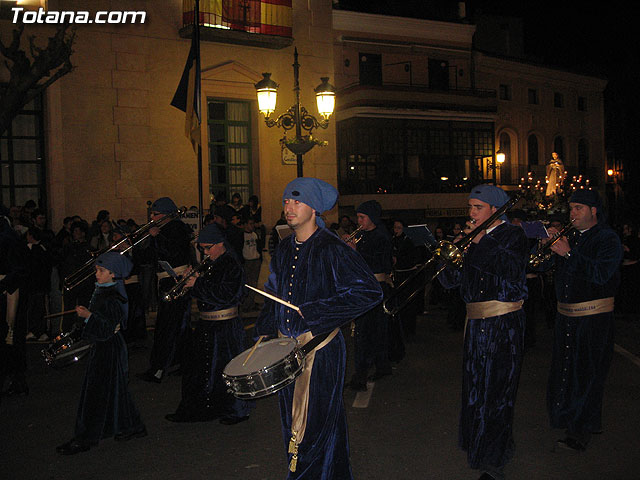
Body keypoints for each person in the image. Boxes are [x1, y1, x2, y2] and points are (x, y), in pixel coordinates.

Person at [255, 177, 382, 479]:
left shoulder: (332, 248)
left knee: (310, 427)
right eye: (286, 200)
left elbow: (369, 292)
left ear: (314, 208)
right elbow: (274, 293)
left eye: (297, 201)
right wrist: (263, 332)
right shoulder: (285, 248)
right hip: (286, 350)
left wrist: (316, 312)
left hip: (321, 351)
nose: (289, 207)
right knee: (299, 423)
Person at [438, 184, 528, 480]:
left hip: (503, 325)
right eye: (470, 207)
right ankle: (476, 442)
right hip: (475, 323)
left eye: (477, 207)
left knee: (497, 391)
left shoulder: (513, 235)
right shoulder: (473, 238)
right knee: (475, 386)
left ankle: (495, 459)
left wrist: (478, 242)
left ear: (494, 210)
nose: (471, 213)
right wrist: (452, 255)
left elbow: (512, 272)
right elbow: (451, 283)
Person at [546, 189, 623, 452]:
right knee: (567, 372)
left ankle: (580, 433)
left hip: (594, 319)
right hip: (567, 317)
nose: (573, 213)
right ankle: (576, 419)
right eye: (571, 208)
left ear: (594, 211)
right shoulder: (573, 238)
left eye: (579, 208)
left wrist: (568, 254)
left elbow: (601, 274)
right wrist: (548, 250)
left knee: (587, 375)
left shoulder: (607, 239)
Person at [56, 252, 147, 455]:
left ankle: (85, 437)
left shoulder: (114, 296)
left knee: (95, 393)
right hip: (106, 346)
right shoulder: (103, 290)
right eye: (97, 270)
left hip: (108, 347)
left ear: (113, 274)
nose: (96, 274)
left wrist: (89, 316)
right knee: (116, 390)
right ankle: (132, 426)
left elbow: (107, 327)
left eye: (101, 270)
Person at [165, 223, 252, 424]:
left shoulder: (231, 264)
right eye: (201, 248)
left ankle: (234, 410)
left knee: (227, 371)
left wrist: (198, 283)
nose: (204, 252)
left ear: (220, 244)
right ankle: (198, 409)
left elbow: (226, 295)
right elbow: (206, 290)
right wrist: (192, 281)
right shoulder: (211, 263)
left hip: (225, 327)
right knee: (200, 371)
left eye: (207, 247)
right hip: (207, 325)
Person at [137, 197, 193, 383]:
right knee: (174, 325)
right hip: (165, 280)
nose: (152, 218)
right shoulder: (163, 230)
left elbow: (173, 252)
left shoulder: (176, 228)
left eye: (156, 214)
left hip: (174, 280)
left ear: (166, 214)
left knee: (168, 326)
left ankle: (159, 368)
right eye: (152, 214)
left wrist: (157, 237)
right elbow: (151, 256)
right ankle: (179, 363)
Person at [348, 200, 395, 390]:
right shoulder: (362, 235)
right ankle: (379, 366)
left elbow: (382, 263)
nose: (359, 221)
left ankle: (362, 374)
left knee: (368, 332)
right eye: (358, 217)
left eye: (362, 217)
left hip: (377, 287)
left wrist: (356, 251)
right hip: (364, 287)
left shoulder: (382, 236)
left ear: (372, 218)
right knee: (368, 332)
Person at [241, 218, 262, 313]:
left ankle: (250, 303)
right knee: (248, 283)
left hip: (255, 259)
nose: (252, 226)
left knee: (254, 283)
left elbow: (259, 246)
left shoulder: (254, 235)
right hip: (247, 261)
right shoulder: (242, 236)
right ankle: (246, 304)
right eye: (250, 224)